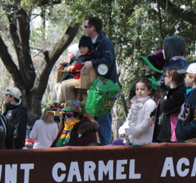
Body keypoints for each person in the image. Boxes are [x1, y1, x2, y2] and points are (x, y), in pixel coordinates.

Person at [80, 16, 119, 145]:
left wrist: (93, 63)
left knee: (103, 116)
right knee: (92, 115)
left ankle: (105, 146)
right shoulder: (90, 43)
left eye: (85, 27)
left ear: (92, 28)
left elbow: (107, 60)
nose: (84, 29)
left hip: (105, 87)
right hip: (93, 86)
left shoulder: (104, 42)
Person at [59, 36, 101, 103]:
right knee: (62, 83)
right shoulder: (81, 57)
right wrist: (68, 65)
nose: (81, 49)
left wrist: (74, 66)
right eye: (80, 48)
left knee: (66, 85)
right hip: (79, 79)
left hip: (85, 80)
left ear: (89, 48)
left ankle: (72, 105)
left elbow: (83, 65)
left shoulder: (90, 57)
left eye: (84, 48)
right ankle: (63, 102)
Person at [117, 78, 157, 145]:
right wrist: (124, 130)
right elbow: (129, 120)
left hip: (146, 141)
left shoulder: (150, 103)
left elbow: (147, 123)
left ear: (149, 91)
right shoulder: (134, 103)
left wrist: (134, 131)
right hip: (135, 141)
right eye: (137, 89)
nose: (139, 91)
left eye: (142, 89)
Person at [153, 67, 186, 143]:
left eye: (165, 76)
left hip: (172, 134)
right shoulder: (168, 92)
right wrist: (153, 115)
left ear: (171, 78)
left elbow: (166, 108)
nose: (163, 78)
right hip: (163, 132)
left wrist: (165, 100)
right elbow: (160, 106)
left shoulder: (180, 93)